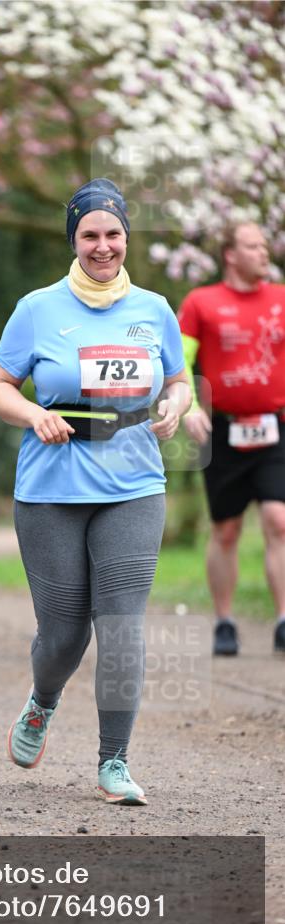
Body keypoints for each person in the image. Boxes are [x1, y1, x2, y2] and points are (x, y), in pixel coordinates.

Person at [0, 178, 190, 806]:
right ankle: (43, 700)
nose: (103, 247)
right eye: (90, 235)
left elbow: (180, 379)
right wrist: (31, 414)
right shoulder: (37, 308)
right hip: (51, 488)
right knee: (64, 635)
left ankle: (114, 763)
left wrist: (177, 405)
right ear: (73, 240)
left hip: (133, 482)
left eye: (113, 234)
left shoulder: (154, 309)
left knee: (122, 626)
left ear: (127, 237)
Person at [179, 223, 285, 656]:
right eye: (253, 246)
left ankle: (282, 621)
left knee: (279, 520)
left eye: (265, 245)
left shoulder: (281, 298)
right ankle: (224, 621)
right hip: (221, 430)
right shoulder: (201, 302)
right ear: (229, 254)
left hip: (275, 426)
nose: (264, 252)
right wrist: (188, 407)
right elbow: (180, 362)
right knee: (226, 529)